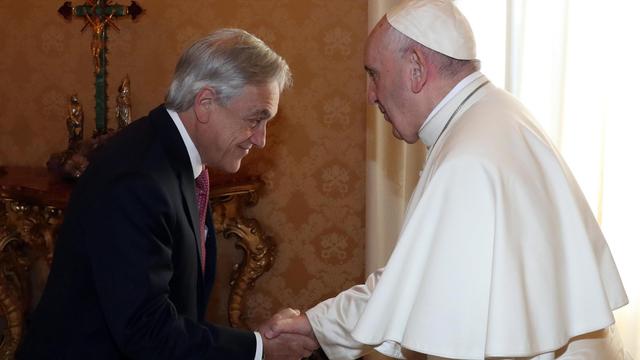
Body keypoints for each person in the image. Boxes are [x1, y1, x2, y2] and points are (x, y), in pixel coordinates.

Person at [265, 1, 631, 359]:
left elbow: (457, 324)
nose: (370, 95)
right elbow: (416, 276)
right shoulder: (492, 116)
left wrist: (315, 325)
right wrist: (317, 325)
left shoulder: (468, 158)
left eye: (374, 74)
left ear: (416, 68)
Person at [17, 28, 317, 359]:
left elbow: (177, 307)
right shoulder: (137, 180)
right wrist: (260, 349)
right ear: (205, 103)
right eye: (255, 120)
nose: (260, 139)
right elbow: (146, 331)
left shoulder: (171, 155)